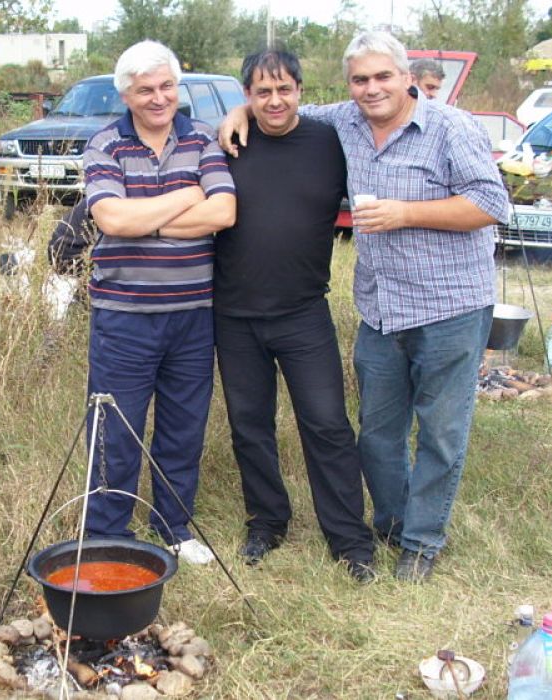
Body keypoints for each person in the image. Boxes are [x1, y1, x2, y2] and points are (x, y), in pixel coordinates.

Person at [219, 32, 510, 582]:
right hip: (380, 310)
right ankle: (383, 525)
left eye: (382, 77)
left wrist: (404, 212)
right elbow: (273, 104)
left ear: (407, 77)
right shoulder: (344, 122)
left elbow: (493, 204)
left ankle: (410, 543)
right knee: (375, 432)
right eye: (360, 79)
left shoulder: (448, 128)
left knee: (430, 432)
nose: (372, 88)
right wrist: (239, 108)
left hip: (446, 304)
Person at [214, 50, 374, 582]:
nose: (275, 101)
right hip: (233, 315)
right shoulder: (228, 144)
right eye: (262, 92)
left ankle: (350, 540)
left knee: (327, 424)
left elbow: (367, 108)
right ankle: (267, 523)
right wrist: (232, 119)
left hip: (304, 312)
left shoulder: (331, 140)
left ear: (301, 90)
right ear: (247, 97)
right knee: (250, 426)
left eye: (284, 89)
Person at [81, 40, 236, 565]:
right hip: (123, 319)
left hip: (193, 315)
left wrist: (149, 218)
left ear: (178, 88)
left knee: (183, 427)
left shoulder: (202, 140)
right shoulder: (105, 144)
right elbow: (114, 221)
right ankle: (108, 536)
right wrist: (187, 196)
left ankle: (173, 527)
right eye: (145, 89)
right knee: (115, 431)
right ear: (126, 94)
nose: (158, 97)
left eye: (167, 86)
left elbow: (224, 212)